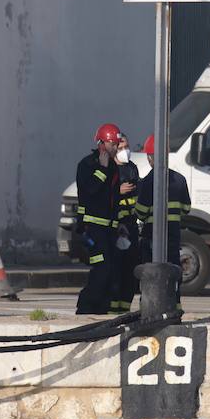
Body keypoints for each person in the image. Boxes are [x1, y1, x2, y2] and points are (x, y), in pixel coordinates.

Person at [135, 133, 192, 300]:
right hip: (173, 235)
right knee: (173, 271)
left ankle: (150, 310)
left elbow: (141, 212)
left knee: (151, 274)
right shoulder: (180, 180)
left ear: (150, 158)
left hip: (152, 236)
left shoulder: (148, 182)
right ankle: (174, 307)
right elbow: (186, 208)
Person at [74, 123, 122, 315]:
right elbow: (90, 190)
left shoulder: (113, 167)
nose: (116, 148)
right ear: (102, 144)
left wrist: (119, 225)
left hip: (109, 230)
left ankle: (102, 308)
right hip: (92, 228)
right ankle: (85, 307)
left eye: (117, 144)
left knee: (111, 271)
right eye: (113, 144)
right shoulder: (87, 165)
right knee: (101, 268)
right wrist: (101, 170)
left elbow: (114, 199)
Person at [109, 132, 141, 315]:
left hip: (131, 227)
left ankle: (125, 309)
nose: (125, 151)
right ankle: (112, 311)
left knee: (130, 271)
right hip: (115, 228)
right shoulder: (110, 170)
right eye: (121, 148)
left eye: (126, 147)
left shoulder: (132, 168)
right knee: (116, 272)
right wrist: (117, 190)